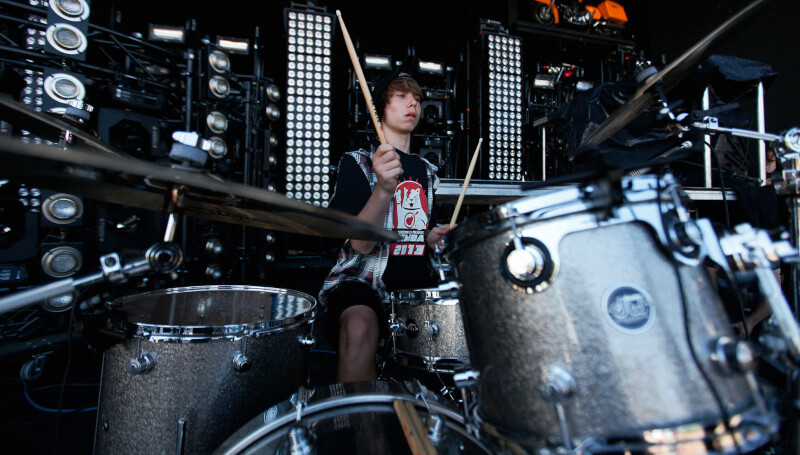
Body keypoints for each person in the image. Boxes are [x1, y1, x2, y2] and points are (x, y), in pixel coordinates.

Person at [318, 72, 452, 382]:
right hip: (364, 280)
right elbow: (361, 244)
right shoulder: (357, 163)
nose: (413, 103)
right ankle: (363, 427)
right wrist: (383, 188)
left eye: (417, 98)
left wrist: (434, 237)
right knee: (358, 328)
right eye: (402, 96)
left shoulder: (428, 171)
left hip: (416, 283)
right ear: (381, 107)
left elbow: (421, 230)